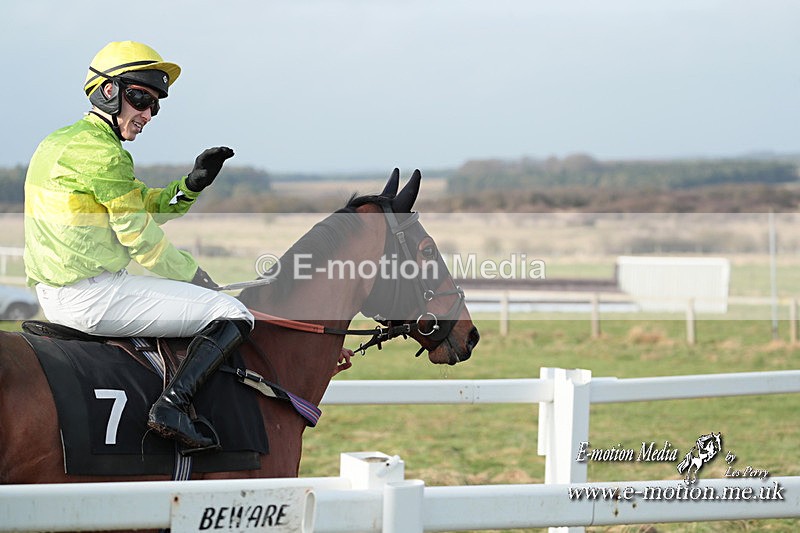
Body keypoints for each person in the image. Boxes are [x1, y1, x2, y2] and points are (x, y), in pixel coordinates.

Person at [23, 41, 254, 451]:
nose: (148, 114)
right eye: (141, 99)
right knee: (233, 312)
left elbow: (140, 208)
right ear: (108, 91)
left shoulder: (62, 142)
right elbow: (141, 238)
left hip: (57, 293)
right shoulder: (104, 154)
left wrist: (191, 185)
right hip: (93, 296)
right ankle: (172, 406)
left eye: (155, 105)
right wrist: (197, 278)